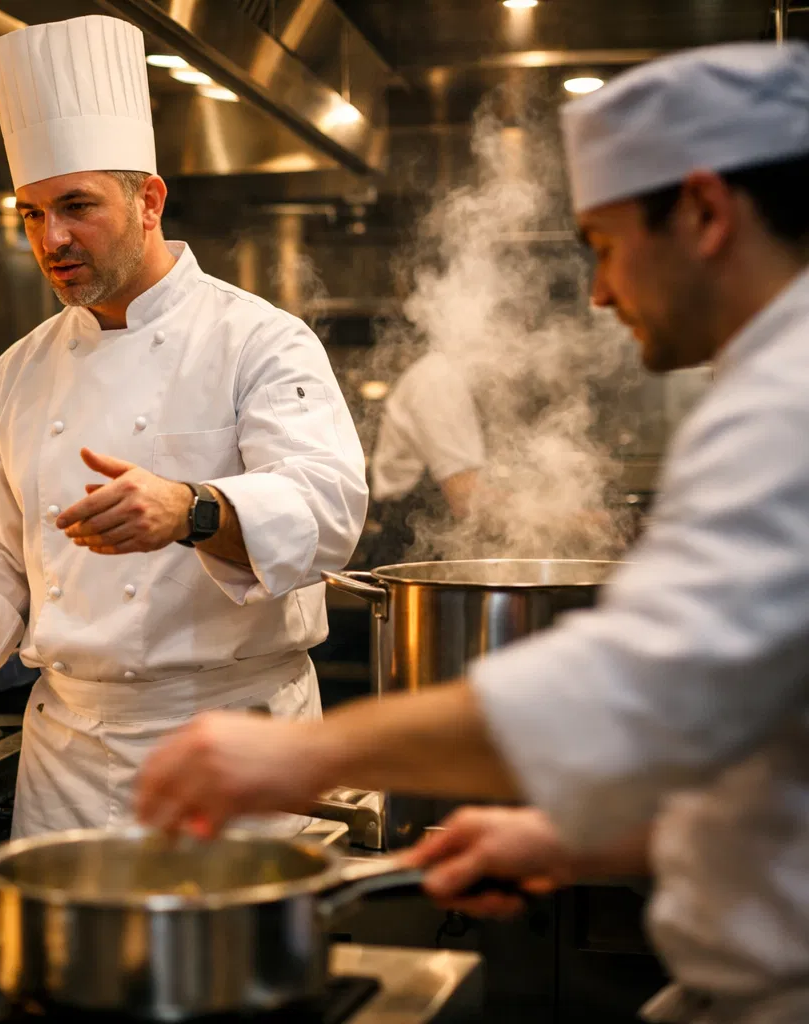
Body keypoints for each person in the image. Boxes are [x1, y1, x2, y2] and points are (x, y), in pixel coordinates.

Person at [136, 42, 809, 1022]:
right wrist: (577, 842)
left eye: (607, 244)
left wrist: (305, 757)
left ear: (705, 213)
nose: (600, 293)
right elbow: (772, 748)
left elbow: (634, 697)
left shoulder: (785, 404)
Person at [0, 15, 368, 838]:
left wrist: (192, 511)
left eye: (77, 207)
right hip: (69, 762)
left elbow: (328, 514)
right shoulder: (18, 371)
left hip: (233, 751)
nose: (51, 239)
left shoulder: (258, 339)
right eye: (30, 214)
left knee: (233, 969)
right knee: (64, 970)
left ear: (149, 201)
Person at [363, 349, 483, 566]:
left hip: (432, 548)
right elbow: (464, 497)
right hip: (413, 551)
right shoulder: (438, 380)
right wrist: (548, 518)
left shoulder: (455, 379)